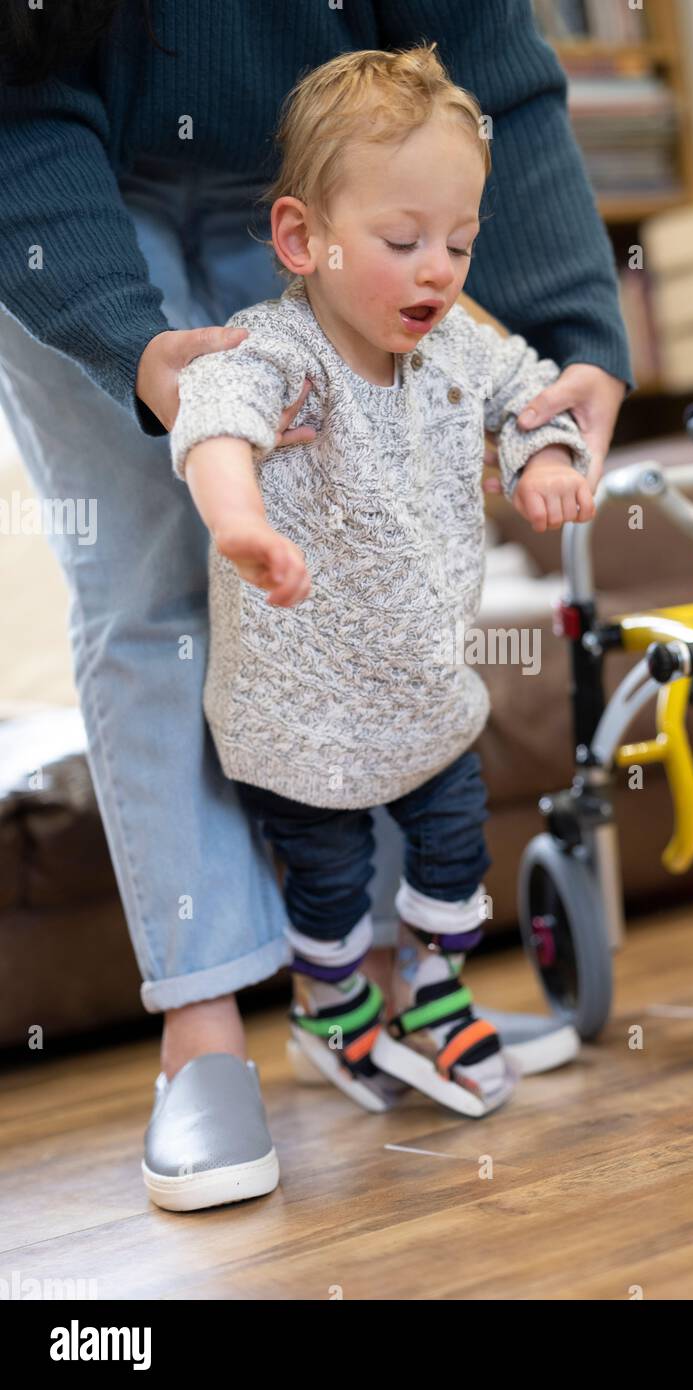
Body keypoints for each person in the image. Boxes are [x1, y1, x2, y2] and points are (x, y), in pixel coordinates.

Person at [0, 1, 633, 1211]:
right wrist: (165, 393)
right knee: (146, 581)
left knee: (353, 541)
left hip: (320, 174)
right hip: (60, 170)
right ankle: (203, 1035)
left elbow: (489, 64)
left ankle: (381, 994)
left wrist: (574, 339)